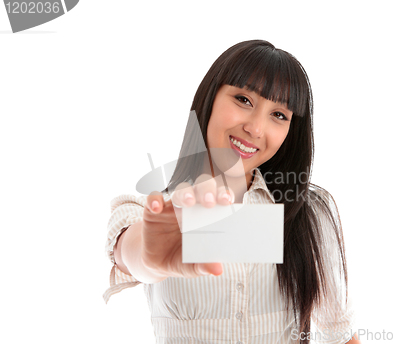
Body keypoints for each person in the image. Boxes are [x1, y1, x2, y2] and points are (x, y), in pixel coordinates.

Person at [104, 40, 360, 344]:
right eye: (243, 99)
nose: (256, 129)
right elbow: (130, 250)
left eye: (279, 115)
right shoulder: (153, 210)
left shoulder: (310, 213)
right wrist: (147, 254)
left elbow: (340, 334)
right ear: (211, 97)